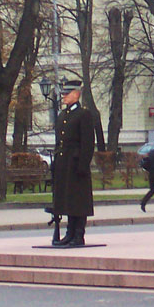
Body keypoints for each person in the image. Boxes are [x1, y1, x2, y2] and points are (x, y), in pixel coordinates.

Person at [50, 80, 95, 247]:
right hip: (65, 163)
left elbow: (88, 142)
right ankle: (69, 233)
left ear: (76, 94)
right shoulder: (63, 115)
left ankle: (78, 234)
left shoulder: (83, 115)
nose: (63, 96)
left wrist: (83, 164)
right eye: (62, 94)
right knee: (68, 200)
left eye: (66, 94)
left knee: (78, 201)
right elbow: (59, 141)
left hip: (76, 164)